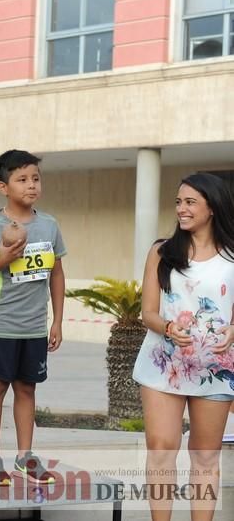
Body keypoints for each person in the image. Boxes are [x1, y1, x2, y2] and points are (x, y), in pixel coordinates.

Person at [133, 172, 234, 520]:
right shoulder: (162, 251)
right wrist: (168, 327)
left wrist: (233, 331)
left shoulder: (233, 256)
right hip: (165, 362)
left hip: (216, 368)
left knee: (205, 455)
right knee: (161, 449)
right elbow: (148, 312)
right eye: (178, 201)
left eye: (190, 202)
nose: (181, 209)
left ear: (213, 207)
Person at [0, 149, 66, 486]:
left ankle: (25, 457)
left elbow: (57, 273)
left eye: (35, 178)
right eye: (22, 179)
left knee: (27, 388)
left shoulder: (49, 225)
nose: (31, 185)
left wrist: (57, 320)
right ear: (3, 187)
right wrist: (3, 260)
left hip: (35, 327)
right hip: (0, 325)